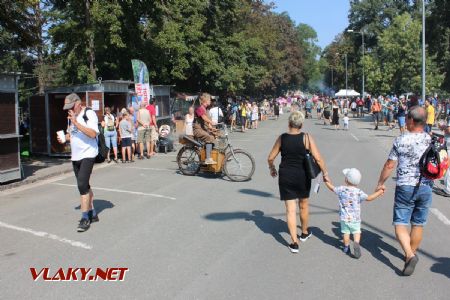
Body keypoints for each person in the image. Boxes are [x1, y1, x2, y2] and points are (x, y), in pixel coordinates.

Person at [376, 106, 432, 276]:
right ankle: (410, 255)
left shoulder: (401, 140)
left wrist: (380, 182)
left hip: (405, 187)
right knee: (418, 223)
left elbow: (389, 165)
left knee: (400, 224)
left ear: (411, 120)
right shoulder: (431, 140)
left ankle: (409, 254)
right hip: (426, 186)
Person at [267, 111, 329, 253]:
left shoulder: (282, 138)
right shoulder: (307, 138)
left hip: (286, 176)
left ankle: (294, 243)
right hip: (303, 176)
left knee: (290, 209)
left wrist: (272, 169)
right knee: (304, 205)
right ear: (301, 125)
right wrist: (325, 174)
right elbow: (318, 158)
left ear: (289, 124)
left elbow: (270, 157)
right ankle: (304, 232)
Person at [56, 93, 99, 232]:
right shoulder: (71, 118)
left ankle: (85, 218)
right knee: (85, 185)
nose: (69, 109)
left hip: (88, 154)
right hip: (76, 156)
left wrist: (76, 122)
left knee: (81, 185)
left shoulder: (89, 113)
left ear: (78, 103)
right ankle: (93, 212)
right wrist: (64, 138)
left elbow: (93, 133)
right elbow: (73, 134)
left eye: (71, 106)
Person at [323, 168, 384, 258]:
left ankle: (346, 247)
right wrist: (380, 192)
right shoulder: (359, 192)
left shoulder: (341, 189)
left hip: (344, 218)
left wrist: (326, 181)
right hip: (355, 219)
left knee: (345, 233)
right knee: (356, 232)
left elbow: (332, 188)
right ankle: (356, 243)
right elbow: (369, 198)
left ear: (346, 179)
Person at [193, 93, 217, 165]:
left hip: (202, 128)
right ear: (205, 100)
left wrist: (211, 128)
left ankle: (212, 155)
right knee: (208, 137)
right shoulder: (200, 108)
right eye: (209, 99)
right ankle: (207, 158)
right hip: (197, 130)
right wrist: (211, 122)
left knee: (214, 136)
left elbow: (205, 122)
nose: (210, 101)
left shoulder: (206, 109)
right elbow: (204, 117)